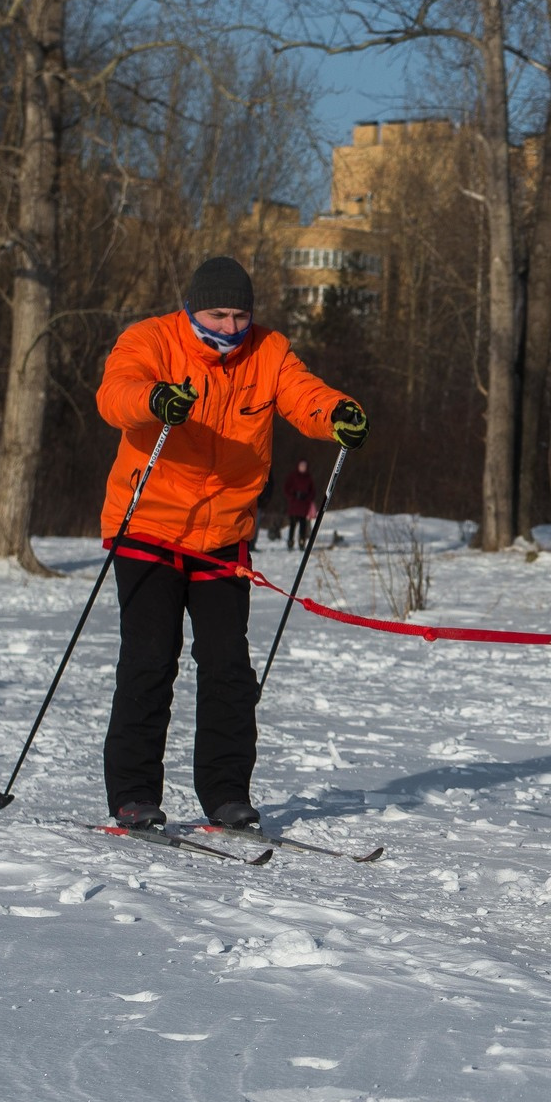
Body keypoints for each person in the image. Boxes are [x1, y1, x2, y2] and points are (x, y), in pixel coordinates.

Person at [95, 256, 364, 831]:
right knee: (149, 660)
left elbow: (303, 395)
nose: (230, 327)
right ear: (191, 307)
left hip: (224, 535)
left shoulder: (268, 352)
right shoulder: (150, 339)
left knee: (227, 667)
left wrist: (338, 412)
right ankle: (134, 793)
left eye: (241, 315)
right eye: (218, 314)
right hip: (149, 526)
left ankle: (225, 791)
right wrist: (153, 400)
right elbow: (115, 393)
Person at [282, 457, 318, 551]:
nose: (303, 467)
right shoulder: (293, 476)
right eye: (301, 466)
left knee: (303, 525)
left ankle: (302, 542)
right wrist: (292, 497)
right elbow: (286, 488)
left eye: (304, 466)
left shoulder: (308, 477)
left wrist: (307, 498)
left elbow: (312, 491)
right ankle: (290, 542)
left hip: (303, 505)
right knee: (292, 525)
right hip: (294, 504)